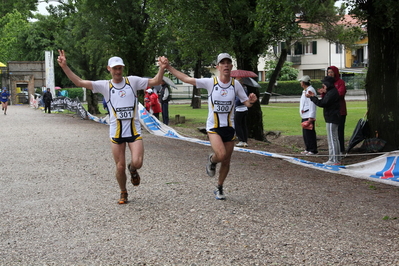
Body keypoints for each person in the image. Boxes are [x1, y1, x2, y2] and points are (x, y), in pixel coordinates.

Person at [57, 50, 167, 204]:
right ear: (109, 69)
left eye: (120, 68)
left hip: (134, 130)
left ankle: (133, 169)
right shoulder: (104, 85)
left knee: (138, 162)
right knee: (120, 166)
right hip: (116, 132)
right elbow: (80, 82)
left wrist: (162, 68)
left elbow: (155, 81)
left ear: (123, 69)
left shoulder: (132, 81)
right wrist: (64, 67)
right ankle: (123, 192)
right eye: (114, 68)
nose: (117, 71)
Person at [165, 53, 257, 200]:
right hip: (214, 127)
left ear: (231, 67)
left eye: (228, 62)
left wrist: (251, 100)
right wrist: (168, 67)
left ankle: (219, 187)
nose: (226, 65)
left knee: (226, 160)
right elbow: (186, 79)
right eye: (223, 63)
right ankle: (212, 160)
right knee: (221, 155)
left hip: (229, 127)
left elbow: (246, 103)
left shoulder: (236, 85)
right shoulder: (210, 82)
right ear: (218, 67)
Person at [306, 76, 341, 165]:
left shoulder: (331, 93)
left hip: (331, 117)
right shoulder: (332, 92)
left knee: (332, 139)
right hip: (334, 117)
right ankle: (337, 158)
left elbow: (323, 103)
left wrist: (313, 97)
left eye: (324, 84)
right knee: (335, 138)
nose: (323, 86)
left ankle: (333, 159)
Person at [327, 66, 347, 152]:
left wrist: (330, 94)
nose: (330, 74)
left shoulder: (340, 82)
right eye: (328, 72)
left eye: (331, 72)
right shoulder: (327, 83)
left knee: (339, 131)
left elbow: (341, 93)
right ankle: (334, 151)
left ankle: (341, 150)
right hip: (330, 111)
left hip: (340, 111)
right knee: (332, 133)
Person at [298, 75, 318, 155]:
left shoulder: (310, 90)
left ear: (303, 83)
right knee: (306, 133)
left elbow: (312, 104)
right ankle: (308, 148)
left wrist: (311, 117)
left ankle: (313, 149)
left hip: (308, 115)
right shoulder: (305, 90)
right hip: (304, 114)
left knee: (310, 133)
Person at [234, 80, 249, 147]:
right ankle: (244, 140)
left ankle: (241, 140)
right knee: (243, 125)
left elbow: (239, 101)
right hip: (244, 109)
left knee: (238, 125)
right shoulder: (245, 89)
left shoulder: (241, 90)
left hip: (240, 109)